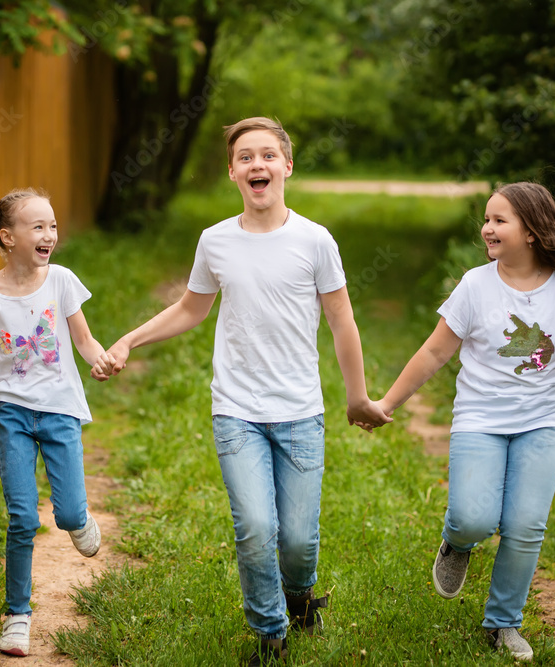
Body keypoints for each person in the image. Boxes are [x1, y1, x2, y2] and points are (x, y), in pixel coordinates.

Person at [100, 117, 390, 665]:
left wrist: (357, 396)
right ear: (232, 171)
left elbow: (342, 322)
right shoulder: (216, 241)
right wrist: (130, 340)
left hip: (301, 411)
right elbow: (191, 307)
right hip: (236, 411)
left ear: (286, 165)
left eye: (268, 155)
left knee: (299, 542)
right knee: (256, 529)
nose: (257, 165)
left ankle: (300, 596)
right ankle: (271, 633)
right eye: (245, 157)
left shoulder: (314, 240)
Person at [367, 182, 555, 661]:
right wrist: (387, 402)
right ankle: (456, 542)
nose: (487, 228)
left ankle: (502, 624)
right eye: (486, 219)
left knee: (524, 526)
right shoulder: (476, 286)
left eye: (499, 220)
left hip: (543, 422)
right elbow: (436, 350)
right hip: (480, 419)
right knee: (473, 517)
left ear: (533, 233)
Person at [0, 188, 115, 657]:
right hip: (13, 414)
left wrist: (100, 360)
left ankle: (80, 518)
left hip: (60, 410)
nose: (50, 235)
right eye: (38, 227)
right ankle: (17, 615)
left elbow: (82, 339)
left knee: (65, 515)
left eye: (53, 226)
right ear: (8, 236)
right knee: (22, 517)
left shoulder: (60, 280)